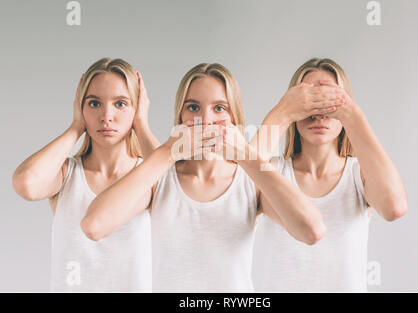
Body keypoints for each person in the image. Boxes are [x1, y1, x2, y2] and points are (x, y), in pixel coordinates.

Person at [81, 63, 328, 292]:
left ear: (235, 119)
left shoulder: (248, 182)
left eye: (219, 108)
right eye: (193, 107)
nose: (206, 120)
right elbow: (94, 226)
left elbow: (312, 231)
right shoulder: (160, 180)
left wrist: (244, 154)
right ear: (180, 117)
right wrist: (168, 151)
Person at [251, 58, 408, 292]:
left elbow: (393, 207)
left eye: (328, 101)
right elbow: (236, 187)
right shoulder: (273, 172)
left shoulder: (359, 175)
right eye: (309, 102)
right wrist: (282, 112)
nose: (319, 115)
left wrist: (353, 115)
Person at [12, 58, 159, 292]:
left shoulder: (147, 177)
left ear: (137, 107)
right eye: (94, 103)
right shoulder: (66, 175)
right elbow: (26, 183)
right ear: (81, 107)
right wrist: (75, 127)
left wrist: (142, 126)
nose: (106, 116)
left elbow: (174, 186)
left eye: (120, 103)